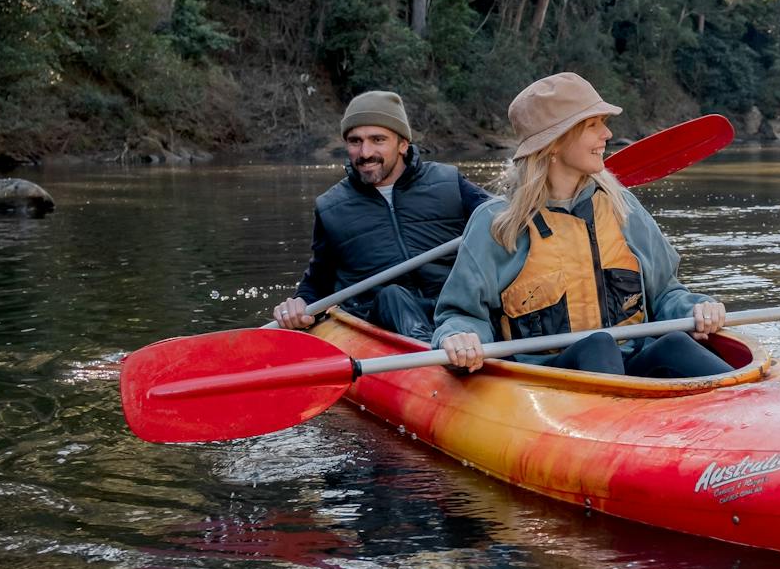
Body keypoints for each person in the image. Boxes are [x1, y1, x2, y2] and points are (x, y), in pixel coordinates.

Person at [434, 72, 732, 379]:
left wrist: (695, 307)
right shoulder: (496, 224)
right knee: (598, 345)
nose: (607, 134)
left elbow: (666, 292)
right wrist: (460, 336)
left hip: (631, 363)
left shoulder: (622, 206)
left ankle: (745, 402)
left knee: (674, 345)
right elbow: (462, 314)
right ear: (553, 144)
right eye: (593, 125)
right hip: (547, 380)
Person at [272, 90, 491, 342]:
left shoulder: (448, 182)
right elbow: (318, 285)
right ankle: (432, 352)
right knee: (393, 296)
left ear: (402, 144)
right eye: (355, 141)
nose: (365, 153)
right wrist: (297, 306)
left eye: (378, 140)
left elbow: (504, 222)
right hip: (385, 321)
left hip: (456, 312)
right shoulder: (331, 207)